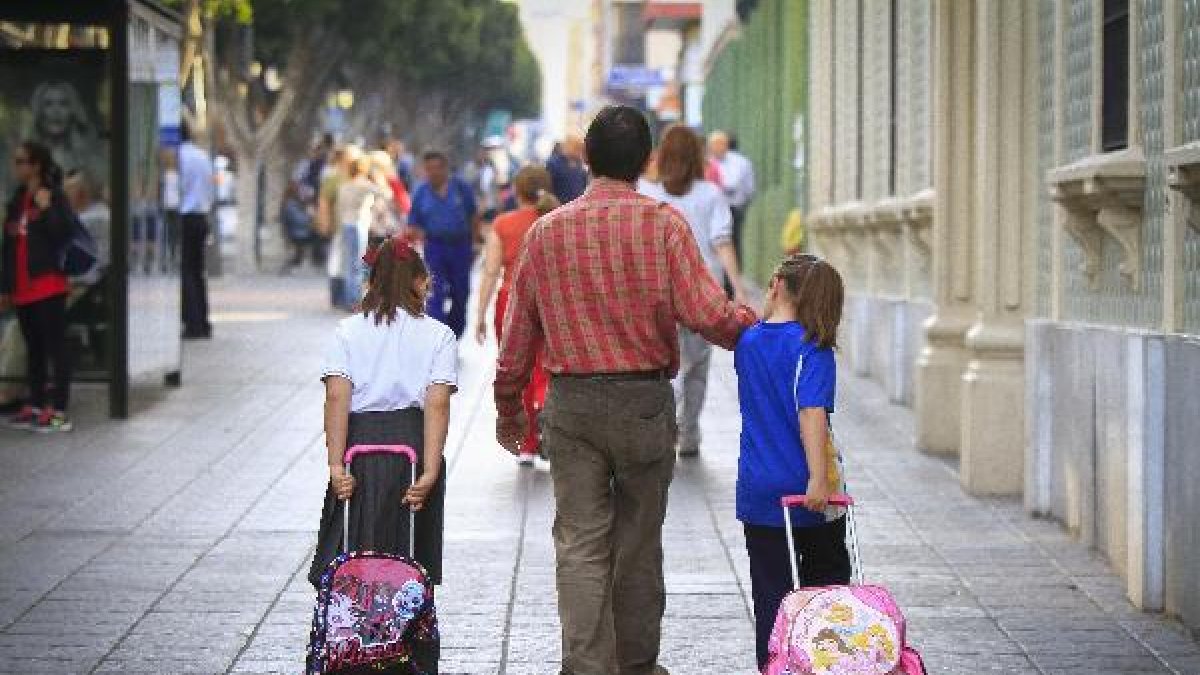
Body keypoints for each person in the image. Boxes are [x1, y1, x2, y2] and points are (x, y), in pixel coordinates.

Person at [494, 105, 757, 675]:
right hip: (642, 405)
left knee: (580, 543)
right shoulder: (663, 225)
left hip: (573, 406)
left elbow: (517, 334)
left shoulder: (547, 232)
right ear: (646, 161)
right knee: (638, 546)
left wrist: (508, 406)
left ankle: (587, 666)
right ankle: (637, 665)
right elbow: (707, 312)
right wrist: (761, 333)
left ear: (586, 159)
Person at [309, 235, 454, 674]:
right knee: (410, 554)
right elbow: (437, 402)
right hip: (412, 445)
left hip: (359, 448)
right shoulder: (437, 335)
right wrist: (429, 469)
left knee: (354, 549)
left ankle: (351, 648)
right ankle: (406, 650)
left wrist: (336, 465)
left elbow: (338, 396)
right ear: (419, 282)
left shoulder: (348, 331)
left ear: (370, 279)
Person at [735, 254, 851, 671]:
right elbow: (811, 413)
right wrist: (819, 478)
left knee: (771, 594)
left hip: (757, 490)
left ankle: (774, 666)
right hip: (805, 491)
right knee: (827, 591)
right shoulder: (812, 350)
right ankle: (825, 665)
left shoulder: (748, 343)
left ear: (778, 287)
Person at [639, 124, 748, 458]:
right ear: (697, 156)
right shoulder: (711, 194)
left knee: (664, 365)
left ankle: (666, 428)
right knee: (698, 366)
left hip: (659, 291)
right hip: (703, 291)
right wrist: (738, 288)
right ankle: (689, 433)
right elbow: (722, 241)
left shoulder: (647, 193)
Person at [474, 165, 559, 466]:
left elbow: (490, 271)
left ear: (517, 191)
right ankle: (547, 428)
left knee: (517, 369)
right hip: (550, 303)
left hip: (510, 302)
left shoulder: (503, 224)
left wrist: (480, 314)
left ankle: (526, 442)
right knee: (545, 368)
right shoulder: (555, 219)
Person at [1, 141, 75, 432]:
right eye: (15, 161)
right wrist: (5, 288)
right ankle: (34, 405)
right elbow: (8, 246)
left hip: (48, 285)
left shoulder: (52, 196)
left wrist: (46, 209)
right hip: (22, 287)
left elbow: (63, 233)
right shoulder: (18, 199)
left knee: (55, 347)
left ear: (36, 166)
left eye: (22, 162)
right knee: (33, 347)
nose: (17, 167)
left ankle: (59, 410)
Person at [408, 150, 478, 338]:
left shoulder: (461, 188)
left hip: (460, 246)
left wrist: (475, 243)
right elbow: (413, 222)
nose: (433, 173)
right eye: (428, 169)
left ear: (445, 168)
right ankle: (439, 335)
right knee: (434, 293)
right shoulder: (421, 191)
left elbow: (473, 215)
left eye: (436, 168)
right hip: (434, 246)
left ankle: (456, 332)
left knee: (461, 292)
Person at [334, 149, 392, 310]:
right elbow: (387, 194)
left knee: (349, 263)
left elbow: (339, 208)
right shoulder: (363, 184)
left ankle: (349, 298)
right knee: (357, 264)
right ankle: (354, 300)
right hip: (358, 225)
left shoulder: (344, 186)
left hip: (346, 225)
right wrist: (380, 178)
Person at [178, 124, 215, 339]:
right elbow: (210, 189)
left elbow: (176, 189)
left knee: (186, 272)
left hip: (184, 217)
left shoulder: (177, 158)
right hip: (200, 217)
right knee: (197, 272)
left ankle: (193, 323)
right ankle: (202, 320)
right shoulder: (202, 156)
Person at [708, 131, 755, 292]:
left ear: (726, 145)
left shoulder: (740, 163)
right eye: (712, 145)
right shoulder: (707, 162)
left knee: (732, 244)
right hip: (712, 209)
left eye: (718, 144)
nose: (714, 148)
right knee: (714, 244)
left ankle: (731, 285)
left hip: (733, 208)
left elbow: (745, 188)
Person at [280, 180, 314, 273]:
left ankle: (295, 264)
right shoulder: (291, 204)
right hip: (297, 233)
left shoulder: (292, 203)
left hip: (297, 232)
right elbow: (300, 220)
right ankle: (292, 266)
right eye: (298, 190)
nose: (300, 192)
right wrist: (310, 216)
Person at [545, 132, 588, 204]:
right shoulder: (553, 164)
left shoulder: (580, 164)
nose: (579, 152)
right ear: (567, 146)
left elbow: (583, 185)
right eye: (576, 148)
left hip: (577, 207)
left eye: (580, 149)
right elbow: (548, 189)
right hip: (559, 207)